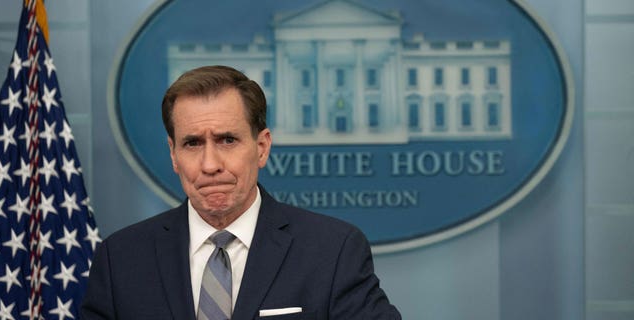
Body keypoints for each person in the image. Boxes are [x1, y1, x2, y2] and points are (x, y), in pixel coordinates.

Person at [81, 65, 401, 320]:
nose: (210, 164)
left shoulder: (332, 251)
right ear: (173, 154)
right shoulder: (120, 259)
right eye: (192, 143)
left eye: (227, 140)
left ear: (261, 148)